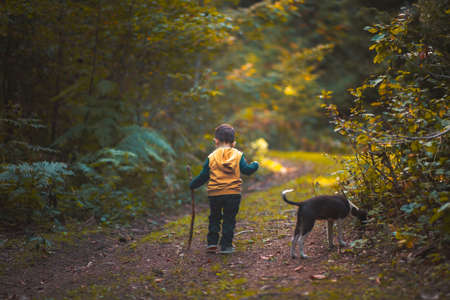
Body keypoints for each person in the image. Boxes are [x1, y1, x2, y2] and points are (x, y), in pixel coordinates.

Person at [190, 123, 259, 254]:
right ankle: (226, 246)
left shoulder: (211, 157)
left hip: (215, 194)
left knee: (214, 217)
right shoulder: (238, 155)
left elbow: (204, 175)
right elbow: (247, 170)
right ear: (234, 142)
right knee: (229, 219)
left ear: (216, 140)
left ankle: (212, 243)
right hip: (233, 194)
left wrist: (193, 184)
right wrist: (255, 165)